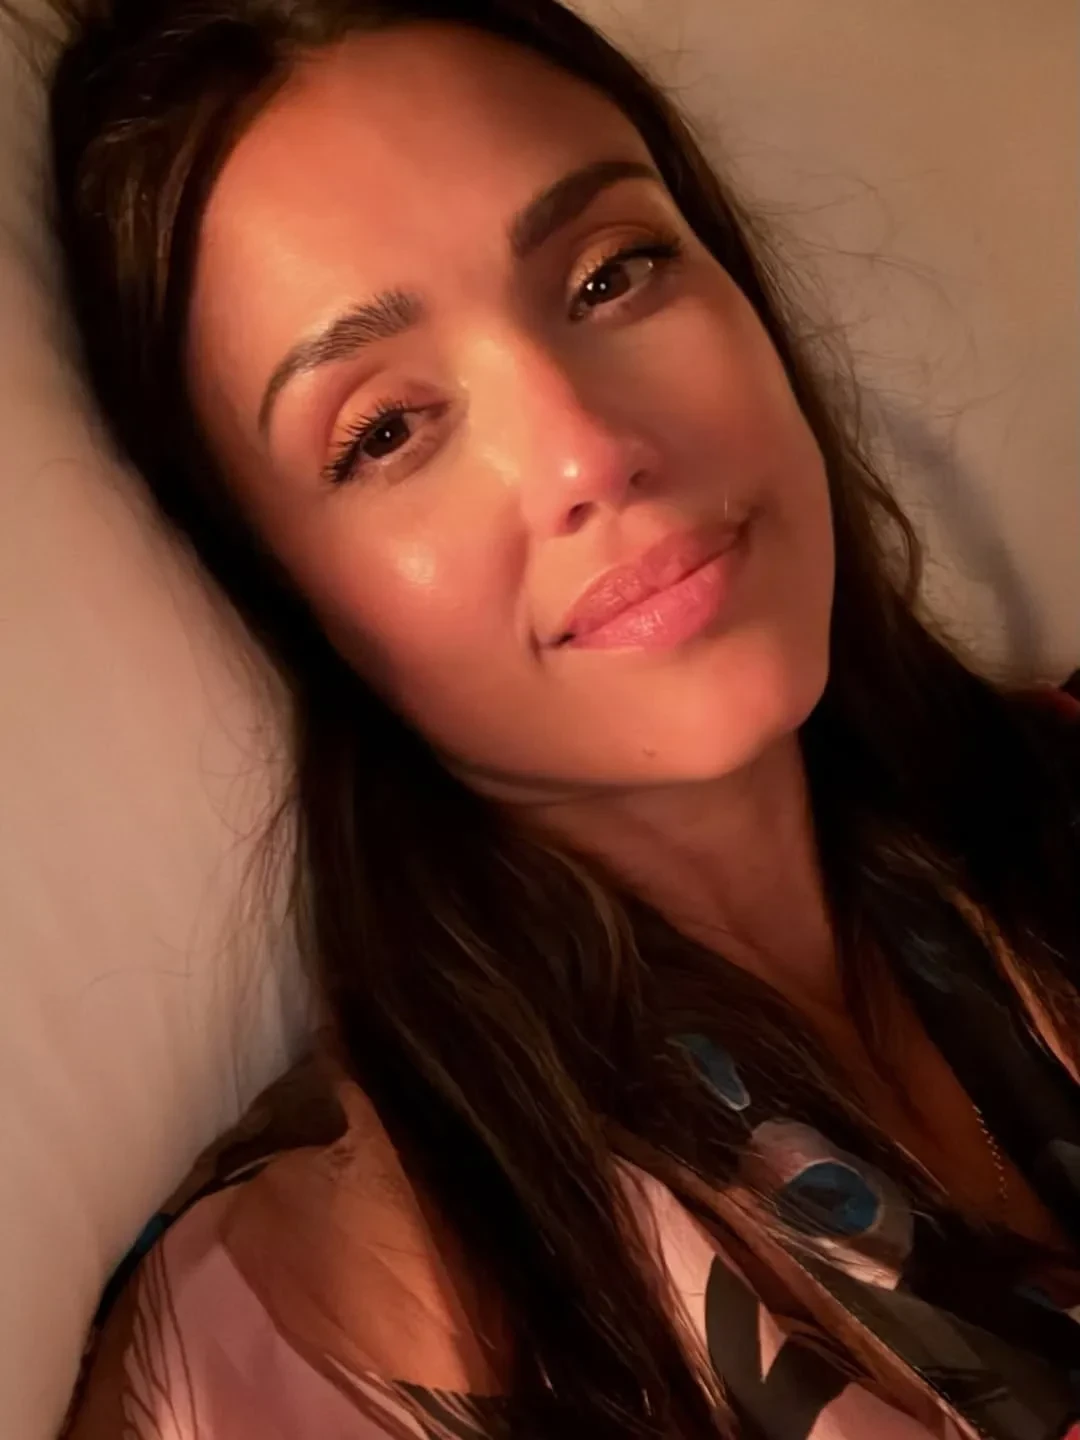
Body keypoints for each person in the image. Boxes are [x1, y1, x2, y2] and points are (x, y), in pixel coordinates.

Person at [28, 0, 1080, 1435]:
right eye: (382, 431)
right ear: (286, 593)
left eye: (612, 274)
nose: (591, 450)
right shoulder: (330, 1335)